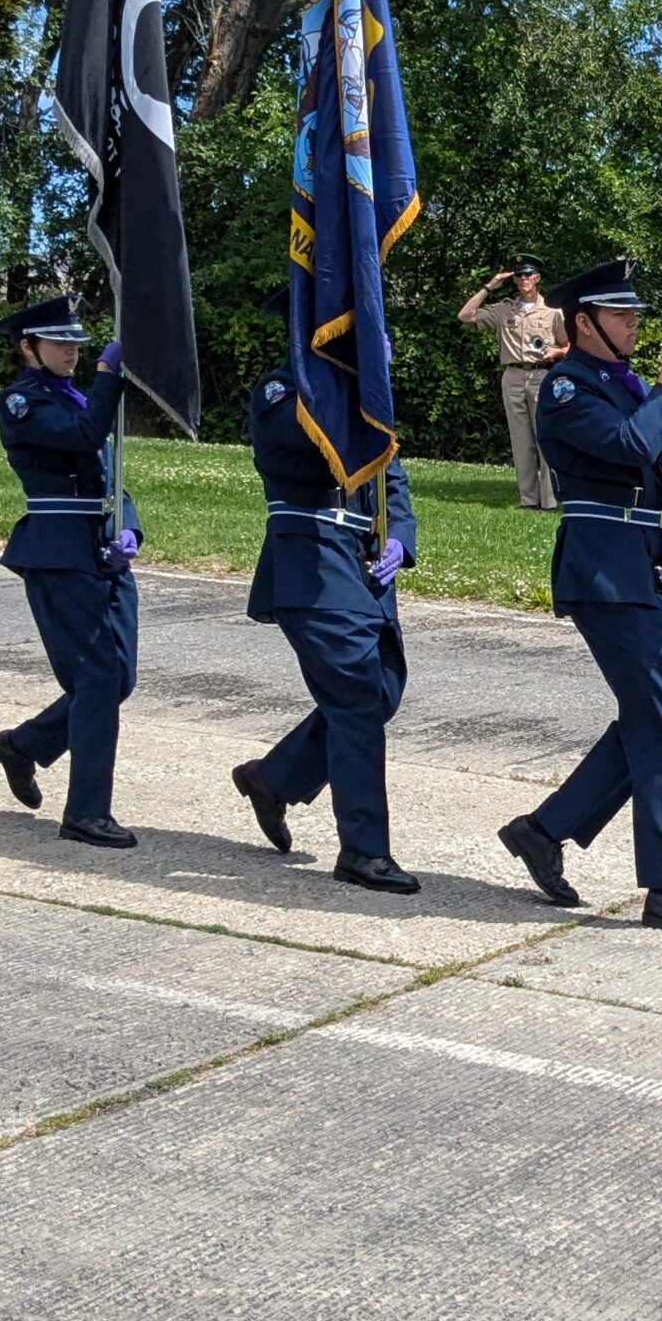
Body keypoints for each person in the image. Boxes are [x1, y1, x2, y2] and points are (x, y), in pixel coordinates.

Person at [496, 259, 662, 939]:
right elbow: (634, 445)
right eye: (621, 314)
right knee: (660, 725)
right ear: (584, 323)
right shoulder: (567, 390)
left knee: (653, 717)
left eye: (636, 314)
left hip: (650, 571)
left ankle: (545, 830)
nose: (635, 324)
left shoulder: (623, 385)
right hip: (606, 575)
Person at [228, 296, 423, 895]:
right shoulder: (280, 391)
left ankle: (275, 779)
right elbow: (314, 437)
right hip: (311, 560)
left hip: (363, 566)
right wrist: (361, 381)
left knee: (381, 689)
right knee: (358, 699)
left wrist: (401, 535)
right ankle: (364, 851)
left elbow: (390, 473)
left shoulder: (362, 399)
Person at [0, 295, 141, 848]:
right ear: (28, 348)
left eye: (76, 343)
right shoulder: (22, 402)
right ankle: (86, 813)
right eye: (59, 343)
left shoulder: (75, 396)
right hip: (59, 550)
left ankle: (22, 746)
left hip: (102, 548)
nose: (72, 351)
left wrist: (130, 528)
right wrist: (109, 379)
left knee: (119, 678)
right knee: (97, 677)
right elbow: (83, 437)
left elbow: (110, 474)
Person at [458, 257, 567, 510]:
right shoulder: (504, 309)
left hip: (541, 375)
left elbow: (568, 345)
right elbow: (465, 315)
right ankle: (528, 500)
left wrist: (556, 353)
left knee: (545, 437)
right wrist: (489, 286)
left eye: (528, 275)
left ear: (537, 278)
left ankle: (549, 501)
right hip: (513, 375)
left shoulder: (553, 312)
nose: (523, 280)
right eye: (519, 276)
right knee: (520, 441)